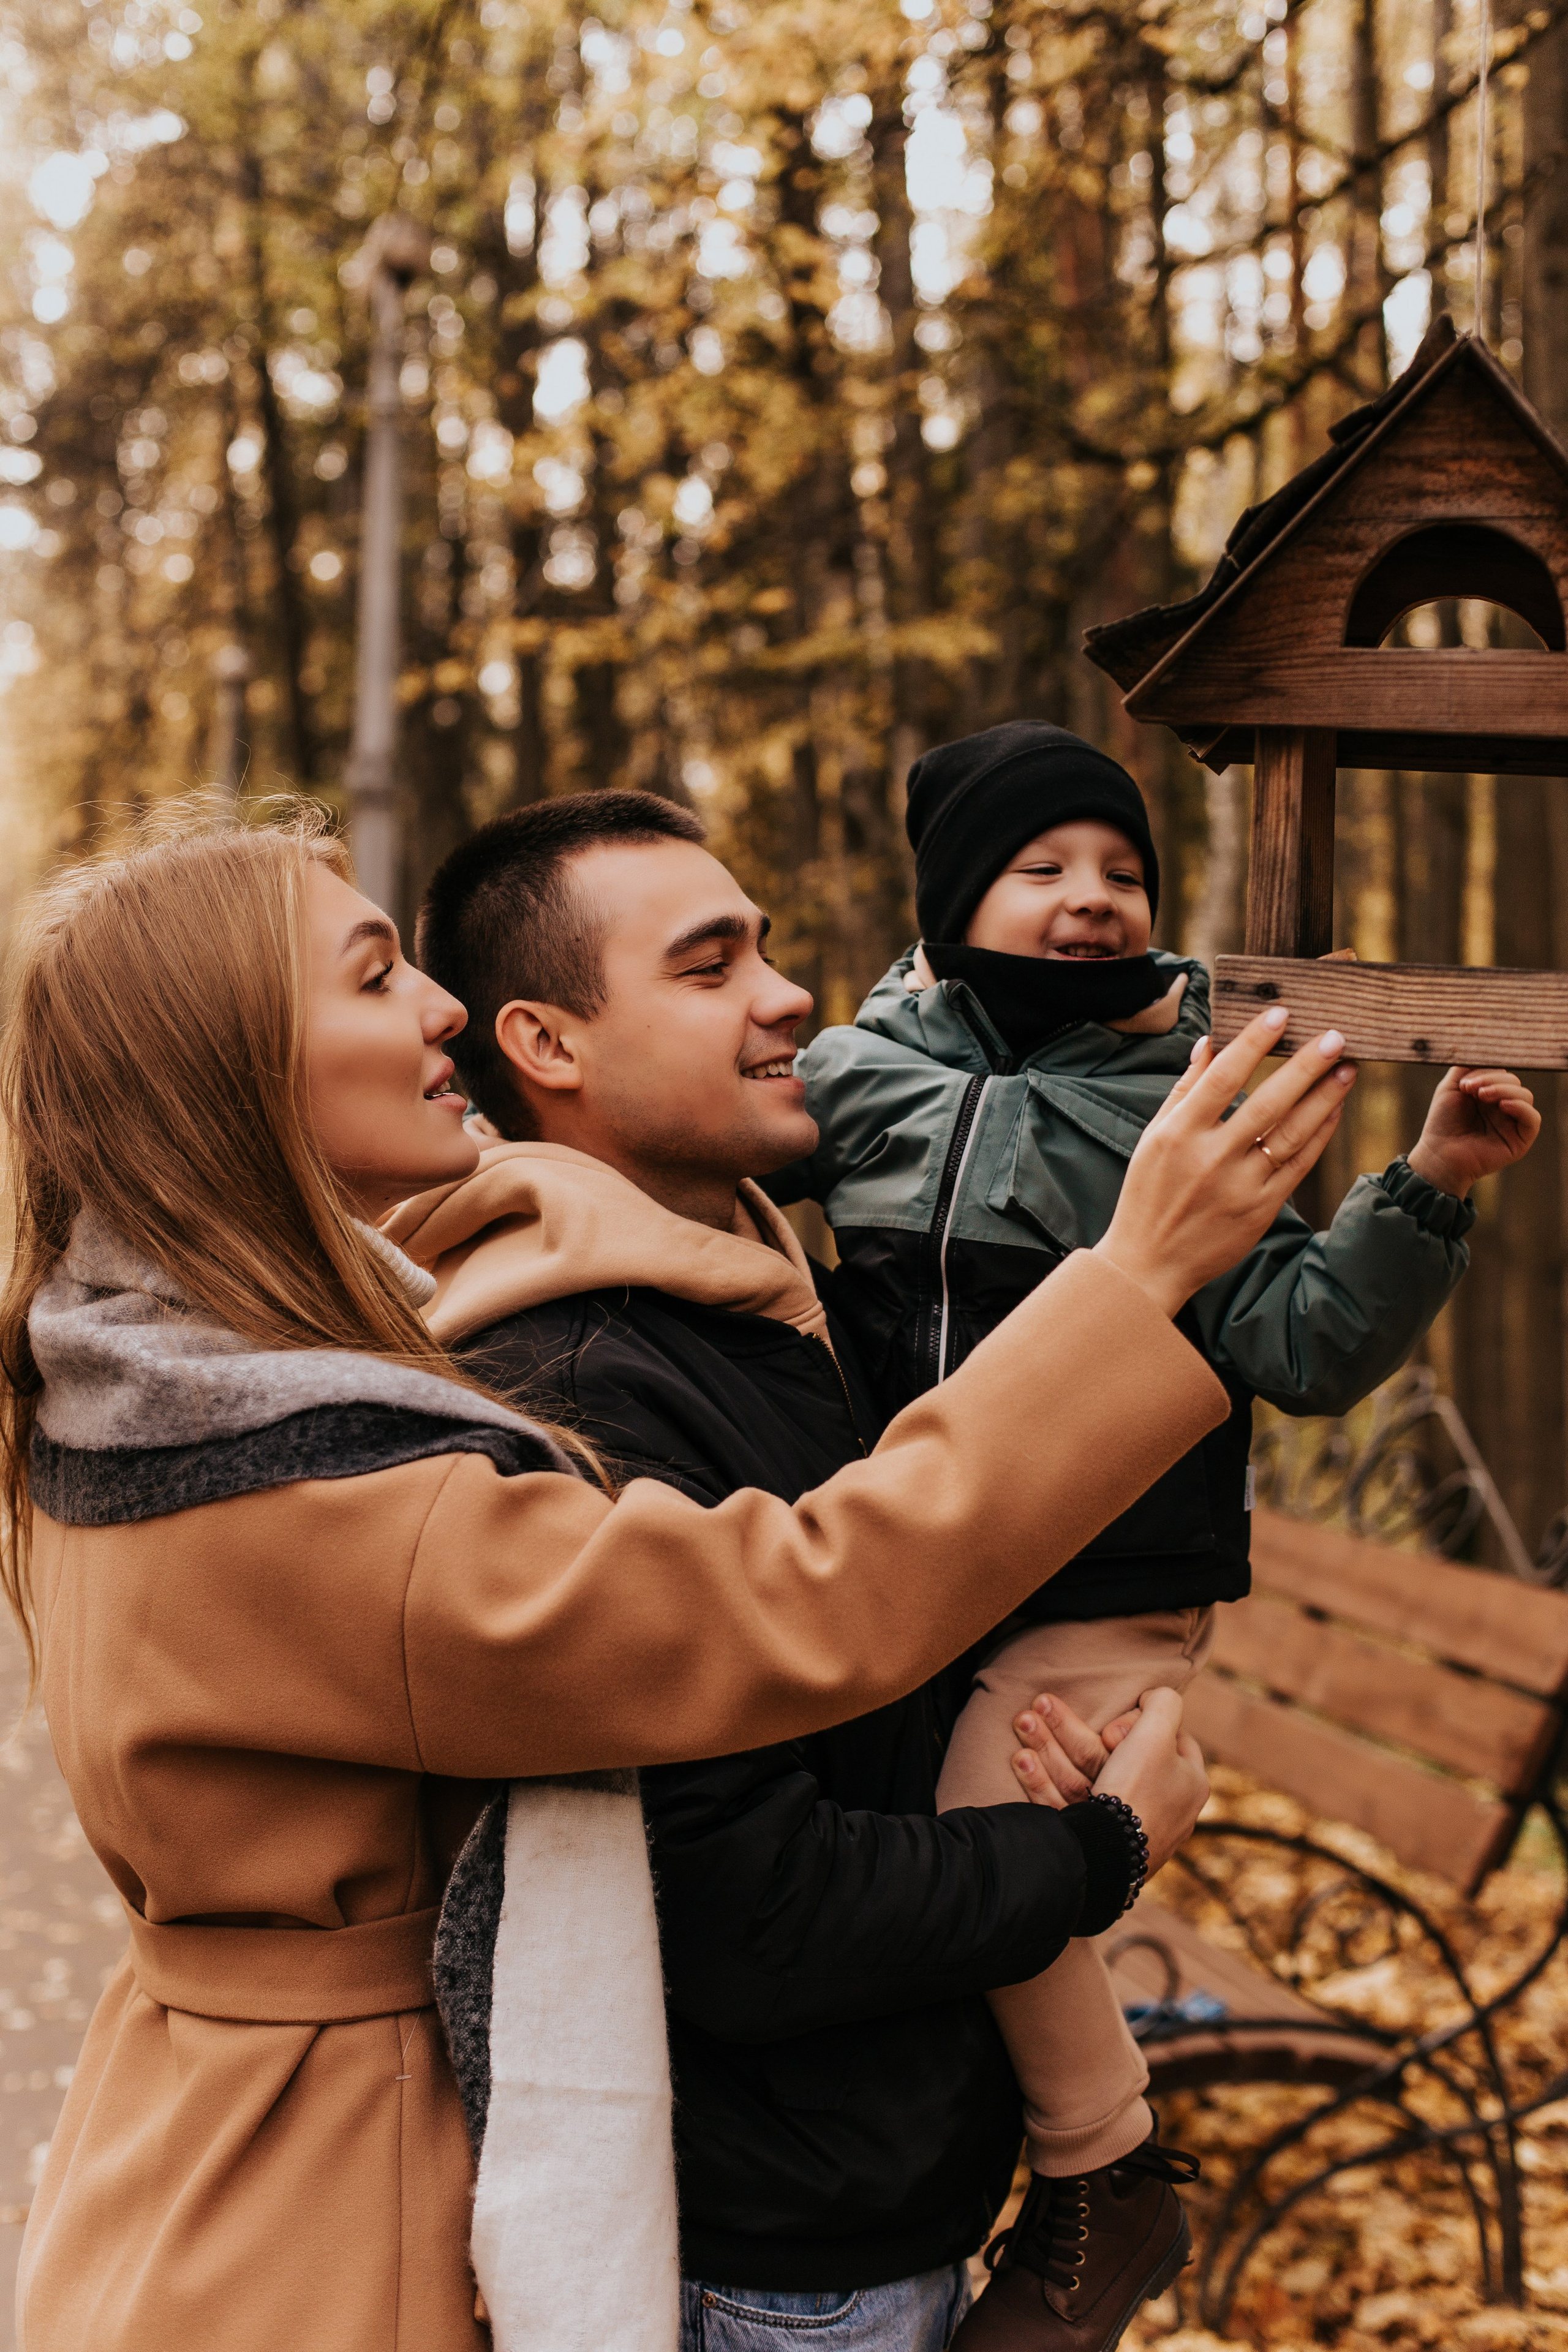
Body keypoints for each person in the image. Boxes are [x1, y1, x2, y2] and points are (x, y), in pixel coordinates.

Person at [2, 805, 1343, 2352]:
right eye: (373, 979)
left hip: (205, 2169)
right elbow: (805, 1604)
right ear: (231, 1070)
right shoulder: (322, 1485)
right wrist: (1139, 1273)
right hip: (308, 2225)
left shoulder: (165, 1396)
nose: (436, 1003)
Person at [401, 788, 1204, 2352]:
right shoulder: (581, 1386)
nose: (784, 995)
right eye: (709, 969)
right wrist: (1097, 1853)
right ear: (546, 1044)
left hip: (869, 2214)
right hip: (762, 2272)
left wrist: (1040, 1755)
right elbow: (753, 1917)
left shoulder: (778, 1303)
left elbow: (867, 1705)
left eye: (765, 949)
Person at [774, 721, 1542, 2352]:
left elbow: (1309, 1343)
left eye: (1121, 870)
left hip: (1104, 1586)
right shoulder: (853, 1076)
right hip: (909, 1555)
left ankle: (1106, 2174)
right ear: (948, 906)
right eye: (1041, 868)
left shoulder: (1196, 1087)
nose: (1092, 899)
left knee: (987, 1808)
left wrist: (1429, 1182)